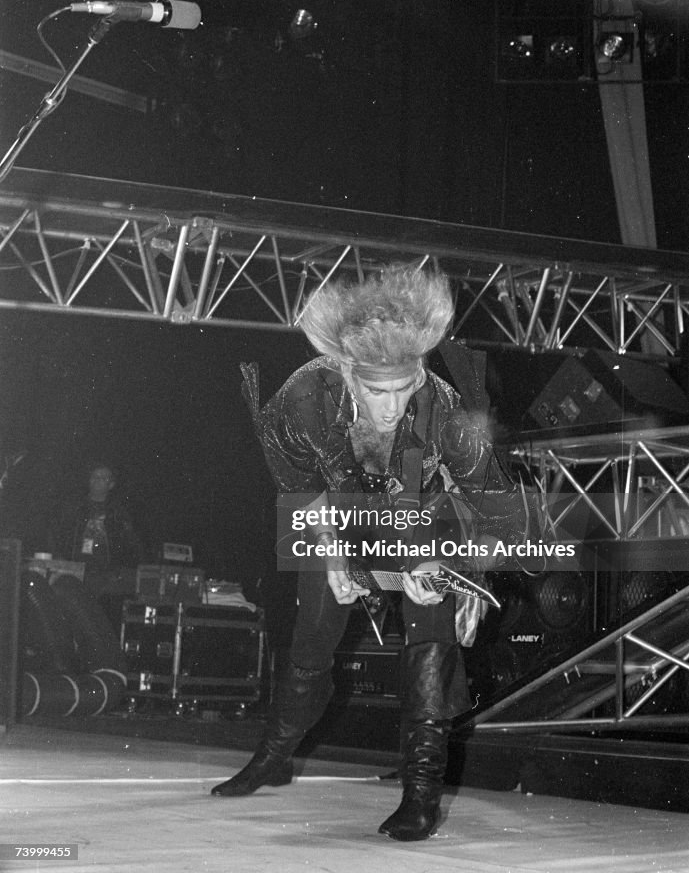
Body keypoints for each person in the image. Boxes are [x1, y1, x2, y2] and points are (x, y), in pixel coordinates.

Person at [211, 264, 528, 841]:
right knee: (314, 631)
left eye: (403, 392)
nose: (389, 409)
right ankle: (274, 756)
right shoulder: (303, 399)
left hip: (426, 517)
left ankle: (422, 791)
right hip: (341, 513)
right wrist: (331, 554)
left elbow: (495, 512)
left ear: (422, 376)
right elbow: (300, 493)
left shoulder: (449, 414)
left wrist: (453, 567)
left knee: (430, 628)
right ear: (347, 374)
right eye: (375, 392)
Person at [52, 463, 143, 598]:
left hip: (107, 575)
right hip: (77, 570)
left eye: (102, 478)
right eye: (94, 476)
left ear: (111, 485)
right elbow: (58, 535)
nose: (97, 480)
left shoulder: (118, 512)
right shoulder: (74, 508)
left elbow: (130, 542)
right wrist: (60, 558)